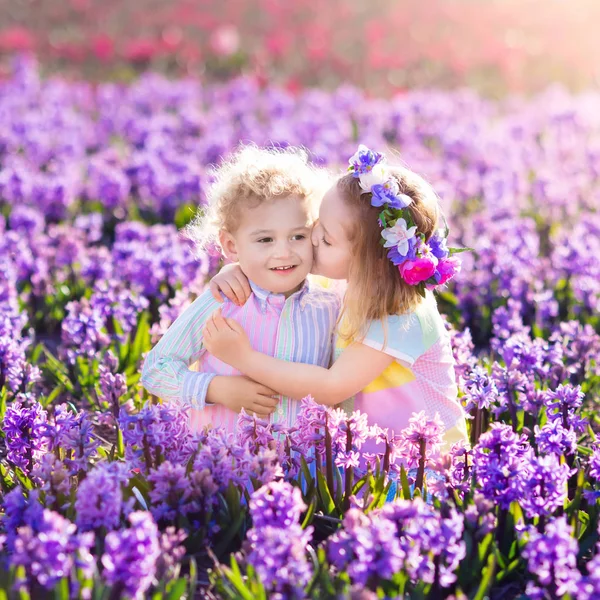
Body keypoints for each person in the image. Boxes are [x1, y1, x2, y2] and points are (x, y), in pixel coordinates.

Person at [203, 144, 469, 456]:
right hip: (366, 459)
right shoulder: (343, 284)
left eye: (327, 239)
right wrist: (237, 270)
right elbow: (279, 273)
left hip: (423, 466)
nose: (312, 238)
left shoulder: (401, 314)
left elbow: (331, 387)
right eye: (317, 223)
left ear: (368, 263)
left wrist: (244, 358)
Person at [141, 145, 340, 432]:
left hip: (303, 468)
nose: (284, 253)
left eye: (298, 236)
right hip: (225, 464)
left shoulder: (329, 305)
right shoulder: (222, 302)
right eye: (265, 240)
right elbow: (156, 369)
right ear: (231, 246)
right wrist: (217, 389)